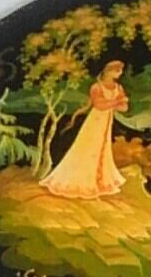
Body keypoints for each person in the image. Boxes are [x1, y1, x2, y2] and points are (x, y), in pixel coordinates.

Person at [39, 60, 129, 199]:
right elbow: (99, 105)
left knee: (102, 148)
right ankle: (84, 183)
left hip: (106, 121)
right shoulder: (97, 87)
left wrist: (115, 103)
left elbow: (124, 107)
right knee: (88, 149)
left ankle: (99, 181)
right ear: (108, 71)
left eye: (121, 70)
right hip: (95, 122)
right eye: (117, 70)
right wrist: (116, 102)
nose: (120, 73)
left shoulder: (118, 87)